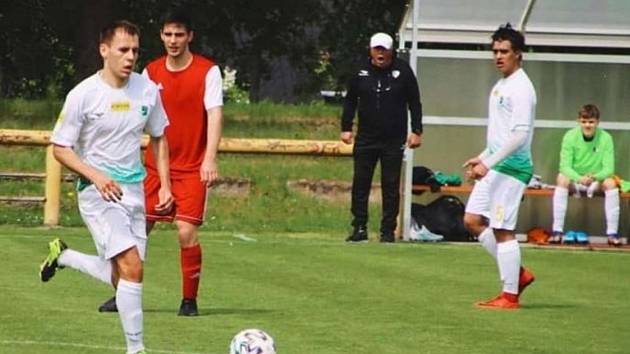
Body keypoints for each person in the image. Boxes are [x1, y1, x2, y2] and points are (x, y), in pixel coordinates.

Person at [40, 20, 172, 354]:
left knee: (123, 276)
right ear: (104, 50)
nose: (130, 57)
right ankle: (137, 349)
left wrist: (166, 186)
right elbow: (60, 147)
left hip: (135, 191)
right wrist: (96, 177)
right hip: (97, 192)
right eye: (123, 50)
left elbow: (158, 136)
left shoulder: (147, 90)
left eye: (135, 51)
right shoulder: (83, 95)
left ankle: (65, 257)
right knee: (132, 266)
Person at [98, 11, 223, 316]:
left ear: (189, 36)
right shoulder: (151, 72)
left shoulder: (208, 71)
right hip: (155, 168)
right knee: (135, 231)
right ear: (161, 36)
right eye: (168, 34)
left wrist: (210, 157)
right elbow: (137, 114)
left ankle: (189, 300)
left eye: (179, 34)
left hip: (193, 167)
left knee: (185, 232)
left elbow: (215, 114)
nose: (173, 41)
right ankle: (122, 294)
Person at [462, 23, 536, 310]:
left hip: (512, 169)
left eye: (504, 51)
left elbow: (519, 136)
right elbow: (500, 135)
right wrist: (482, 158)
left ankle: (510, 295)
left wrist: (489, 163)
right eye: (495, 51)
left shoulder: (522, 88)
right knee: (471, 220)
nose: (498, 56)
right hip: (496, 165)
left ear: (518, 54)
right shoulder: (501, 85)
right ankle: (517, 274)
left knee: (503, 229)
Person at [341, 32, 423, 243]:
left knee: (390, 185)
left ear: (391, 51)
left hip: (393, 139)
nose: (380, 53)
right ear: (370, 50)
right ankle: (359, 227)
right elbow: (350, 101)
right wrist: (346, 127)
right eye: (377, 49)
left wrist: (416, 130)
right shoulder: (360, 72)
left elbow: (414, 101)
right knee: (361, 183)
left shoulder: (403, 71)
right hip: (366, 138)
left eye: (384, 49)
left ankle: (388, 230)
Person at [550, 104, 620, 246]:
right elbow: (564, 166)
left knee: (611, 183)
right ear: (579, 121)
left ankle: (612, 234)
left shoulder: (606, 138)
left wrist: (594, 177)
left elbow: (609, 169)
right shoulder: (570, 136)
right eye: (584, 122)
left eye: (591, 122)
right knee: (561, 178)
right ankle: (557, 232)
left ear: (597, 122)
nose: (587, 125)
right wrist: (579, 178)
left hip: (595, 181)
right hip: (575, 180)